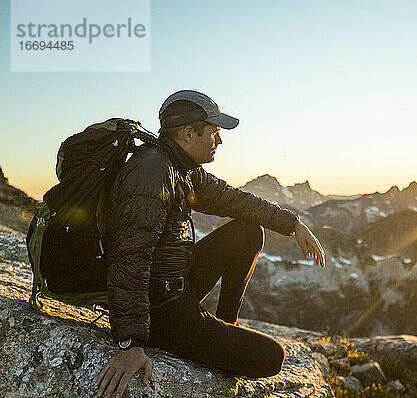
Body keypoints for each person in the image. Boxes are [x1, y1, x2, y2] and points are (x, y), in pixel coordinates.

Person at [95, 90, 326, 398]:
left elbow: (236, 201)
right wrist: (131, 344)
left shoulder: (181, 168)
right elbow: (130, 259)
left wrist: (292, 224)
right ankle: (205, 334)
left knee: (248, 231)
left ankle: (224, 326)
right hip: (163, 313)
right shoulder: (153, 172)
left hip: (173, 282)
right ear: (189, 134)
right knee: (272, 357)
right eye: (214, 133)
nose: (219, 141)